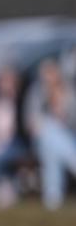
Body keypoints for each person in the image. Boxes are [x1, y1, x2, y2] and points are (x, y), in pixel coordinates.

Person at [25, 58, 76, 209]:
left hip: (68, 138)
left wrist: (61, 115)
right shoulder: (36, 93)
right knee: (48, 129)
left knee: (52, 150)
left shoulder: (69, 93)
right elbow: (30, 122)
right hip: (40, 140)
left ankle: (53, 199)